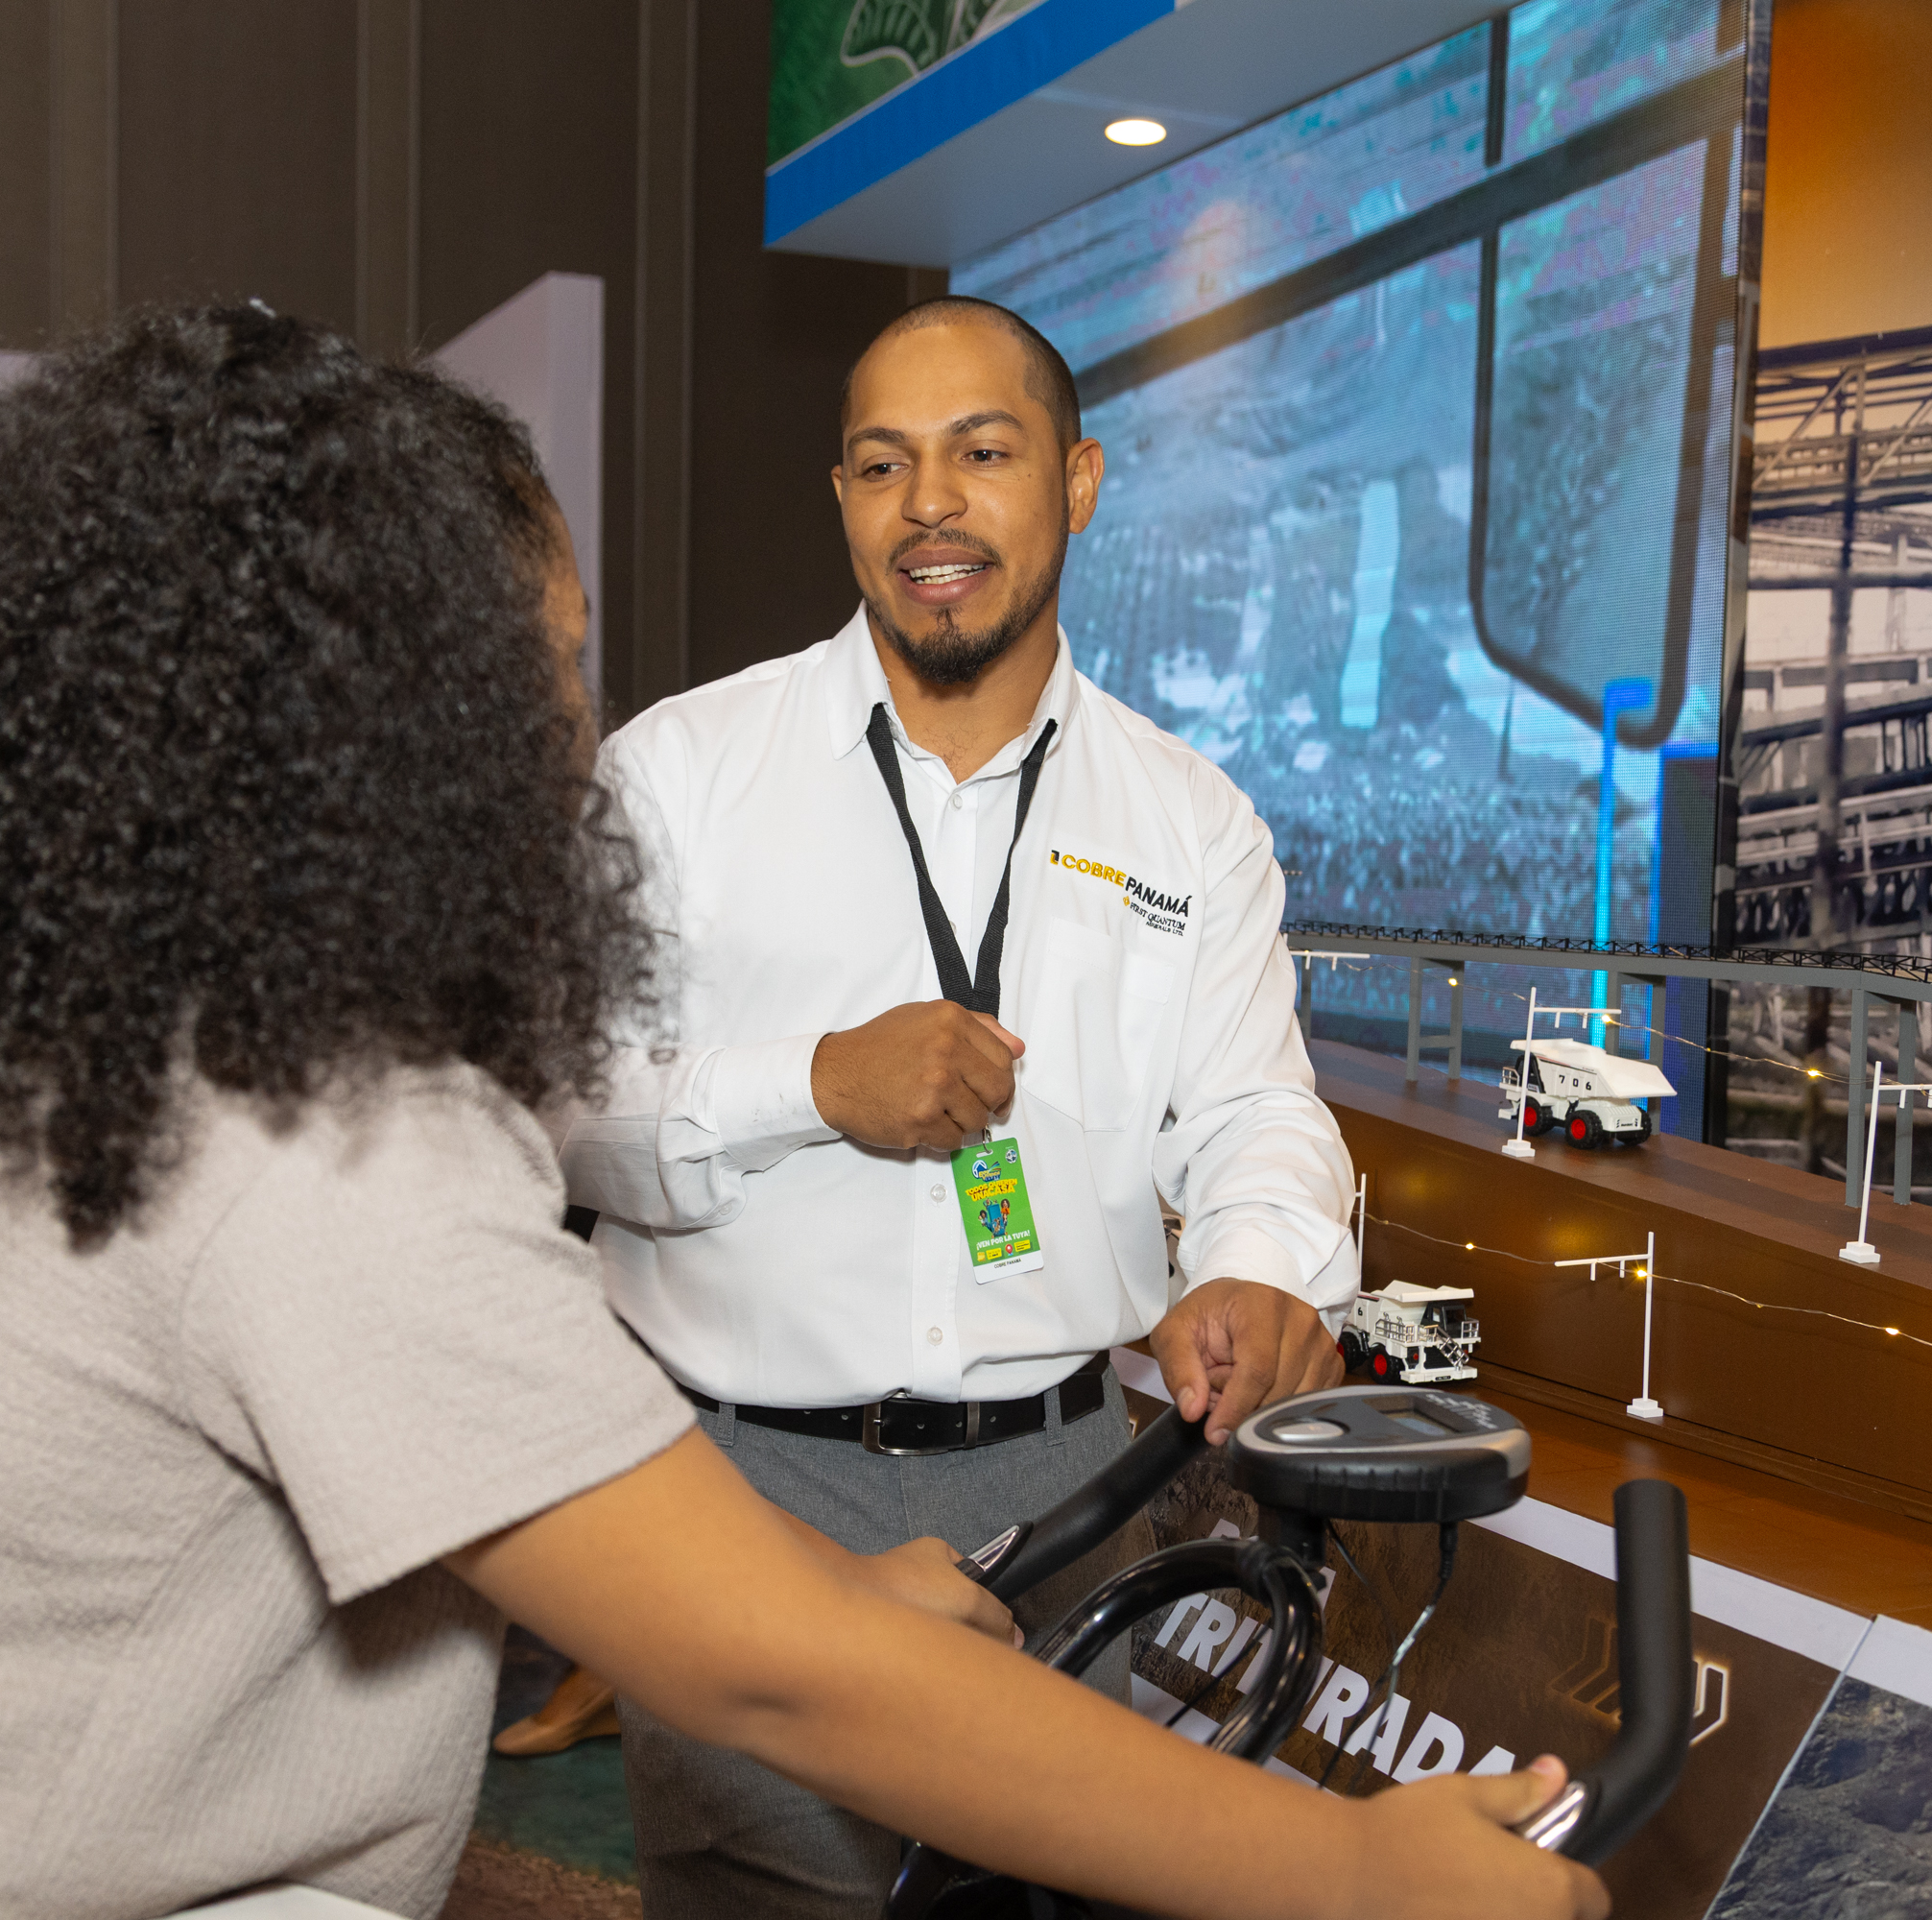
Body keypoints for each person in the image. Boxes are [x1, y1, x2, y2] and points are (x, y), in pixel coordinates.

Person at [0, 308, 1600, 1920]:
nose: (573, 754)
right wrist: (1357, 1873)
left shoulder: (100, 1011)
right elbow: (772, 1668)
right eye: (547, 673)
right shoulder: (308, 1121)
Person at [561, 296, 1366, 1917]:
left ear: (1076, 482)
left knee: (1049, 1900)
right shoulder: (677, 776)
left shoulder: (1189, 822)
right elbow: (559, 1110)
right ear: (844, 499)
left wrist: (1266, 1263)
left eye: (982, 453)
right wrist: (809, 1087)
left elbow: (1256, 1114)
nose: (930, 502)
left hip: (1067, 1484)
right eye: (882, 463)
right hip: (746, 1489)